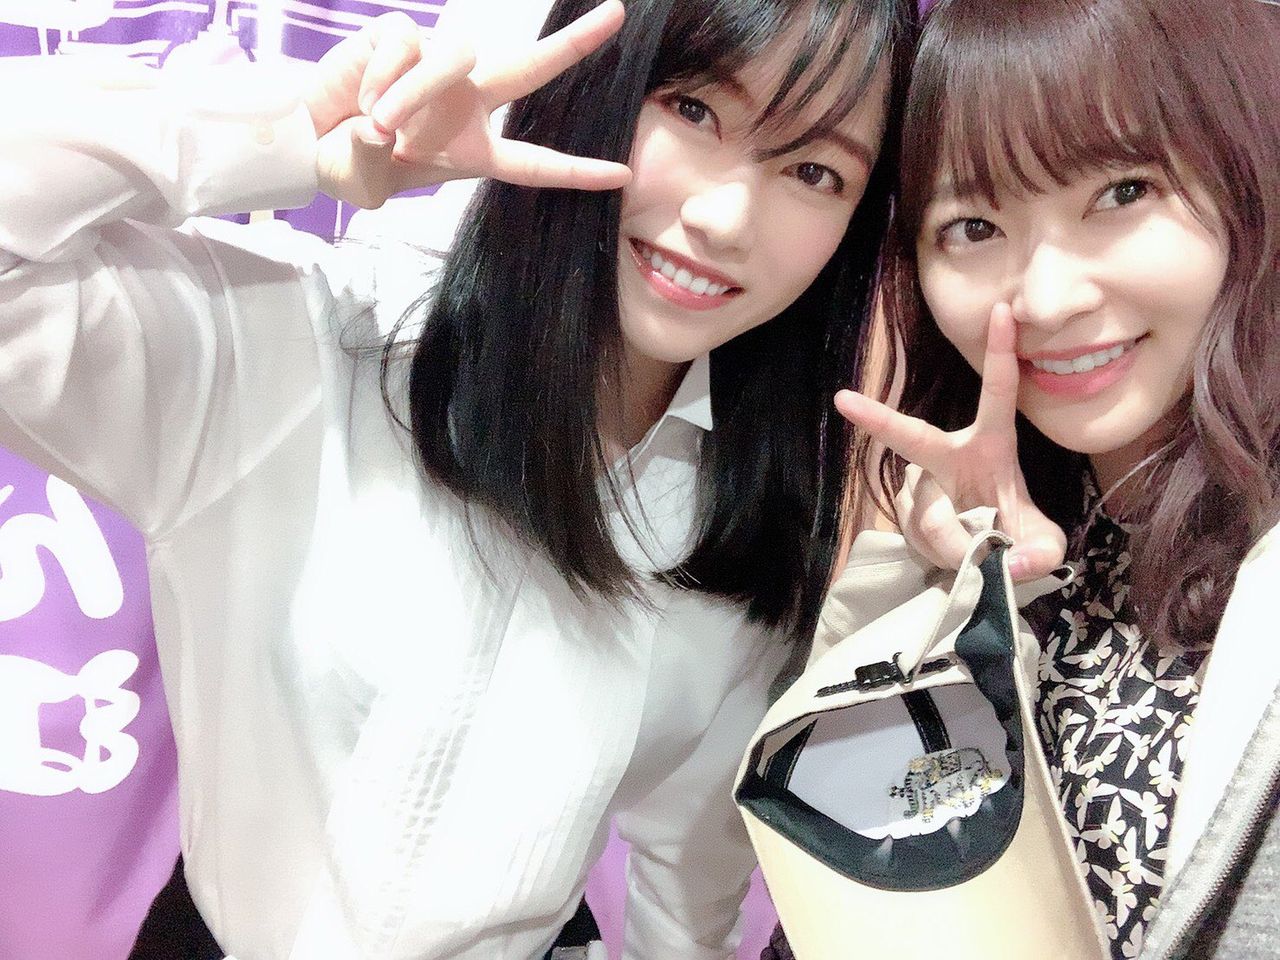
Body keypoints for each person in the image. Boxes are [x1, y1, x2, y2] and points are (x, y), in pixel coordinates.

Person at [0, 0, 917, 956]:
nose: (725, 218)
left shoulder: (750, 525)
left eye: (814, 171)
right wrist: (296, 129)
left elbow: (688, 889)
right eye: (692, 110)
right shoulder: (302, 348)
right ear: (592, 87)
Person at [770, 0, 1280, 957]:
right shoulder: (993, 541)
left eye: (1122, 192)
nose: (1044, 299)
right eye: (973, 225)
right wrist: (959, 606)